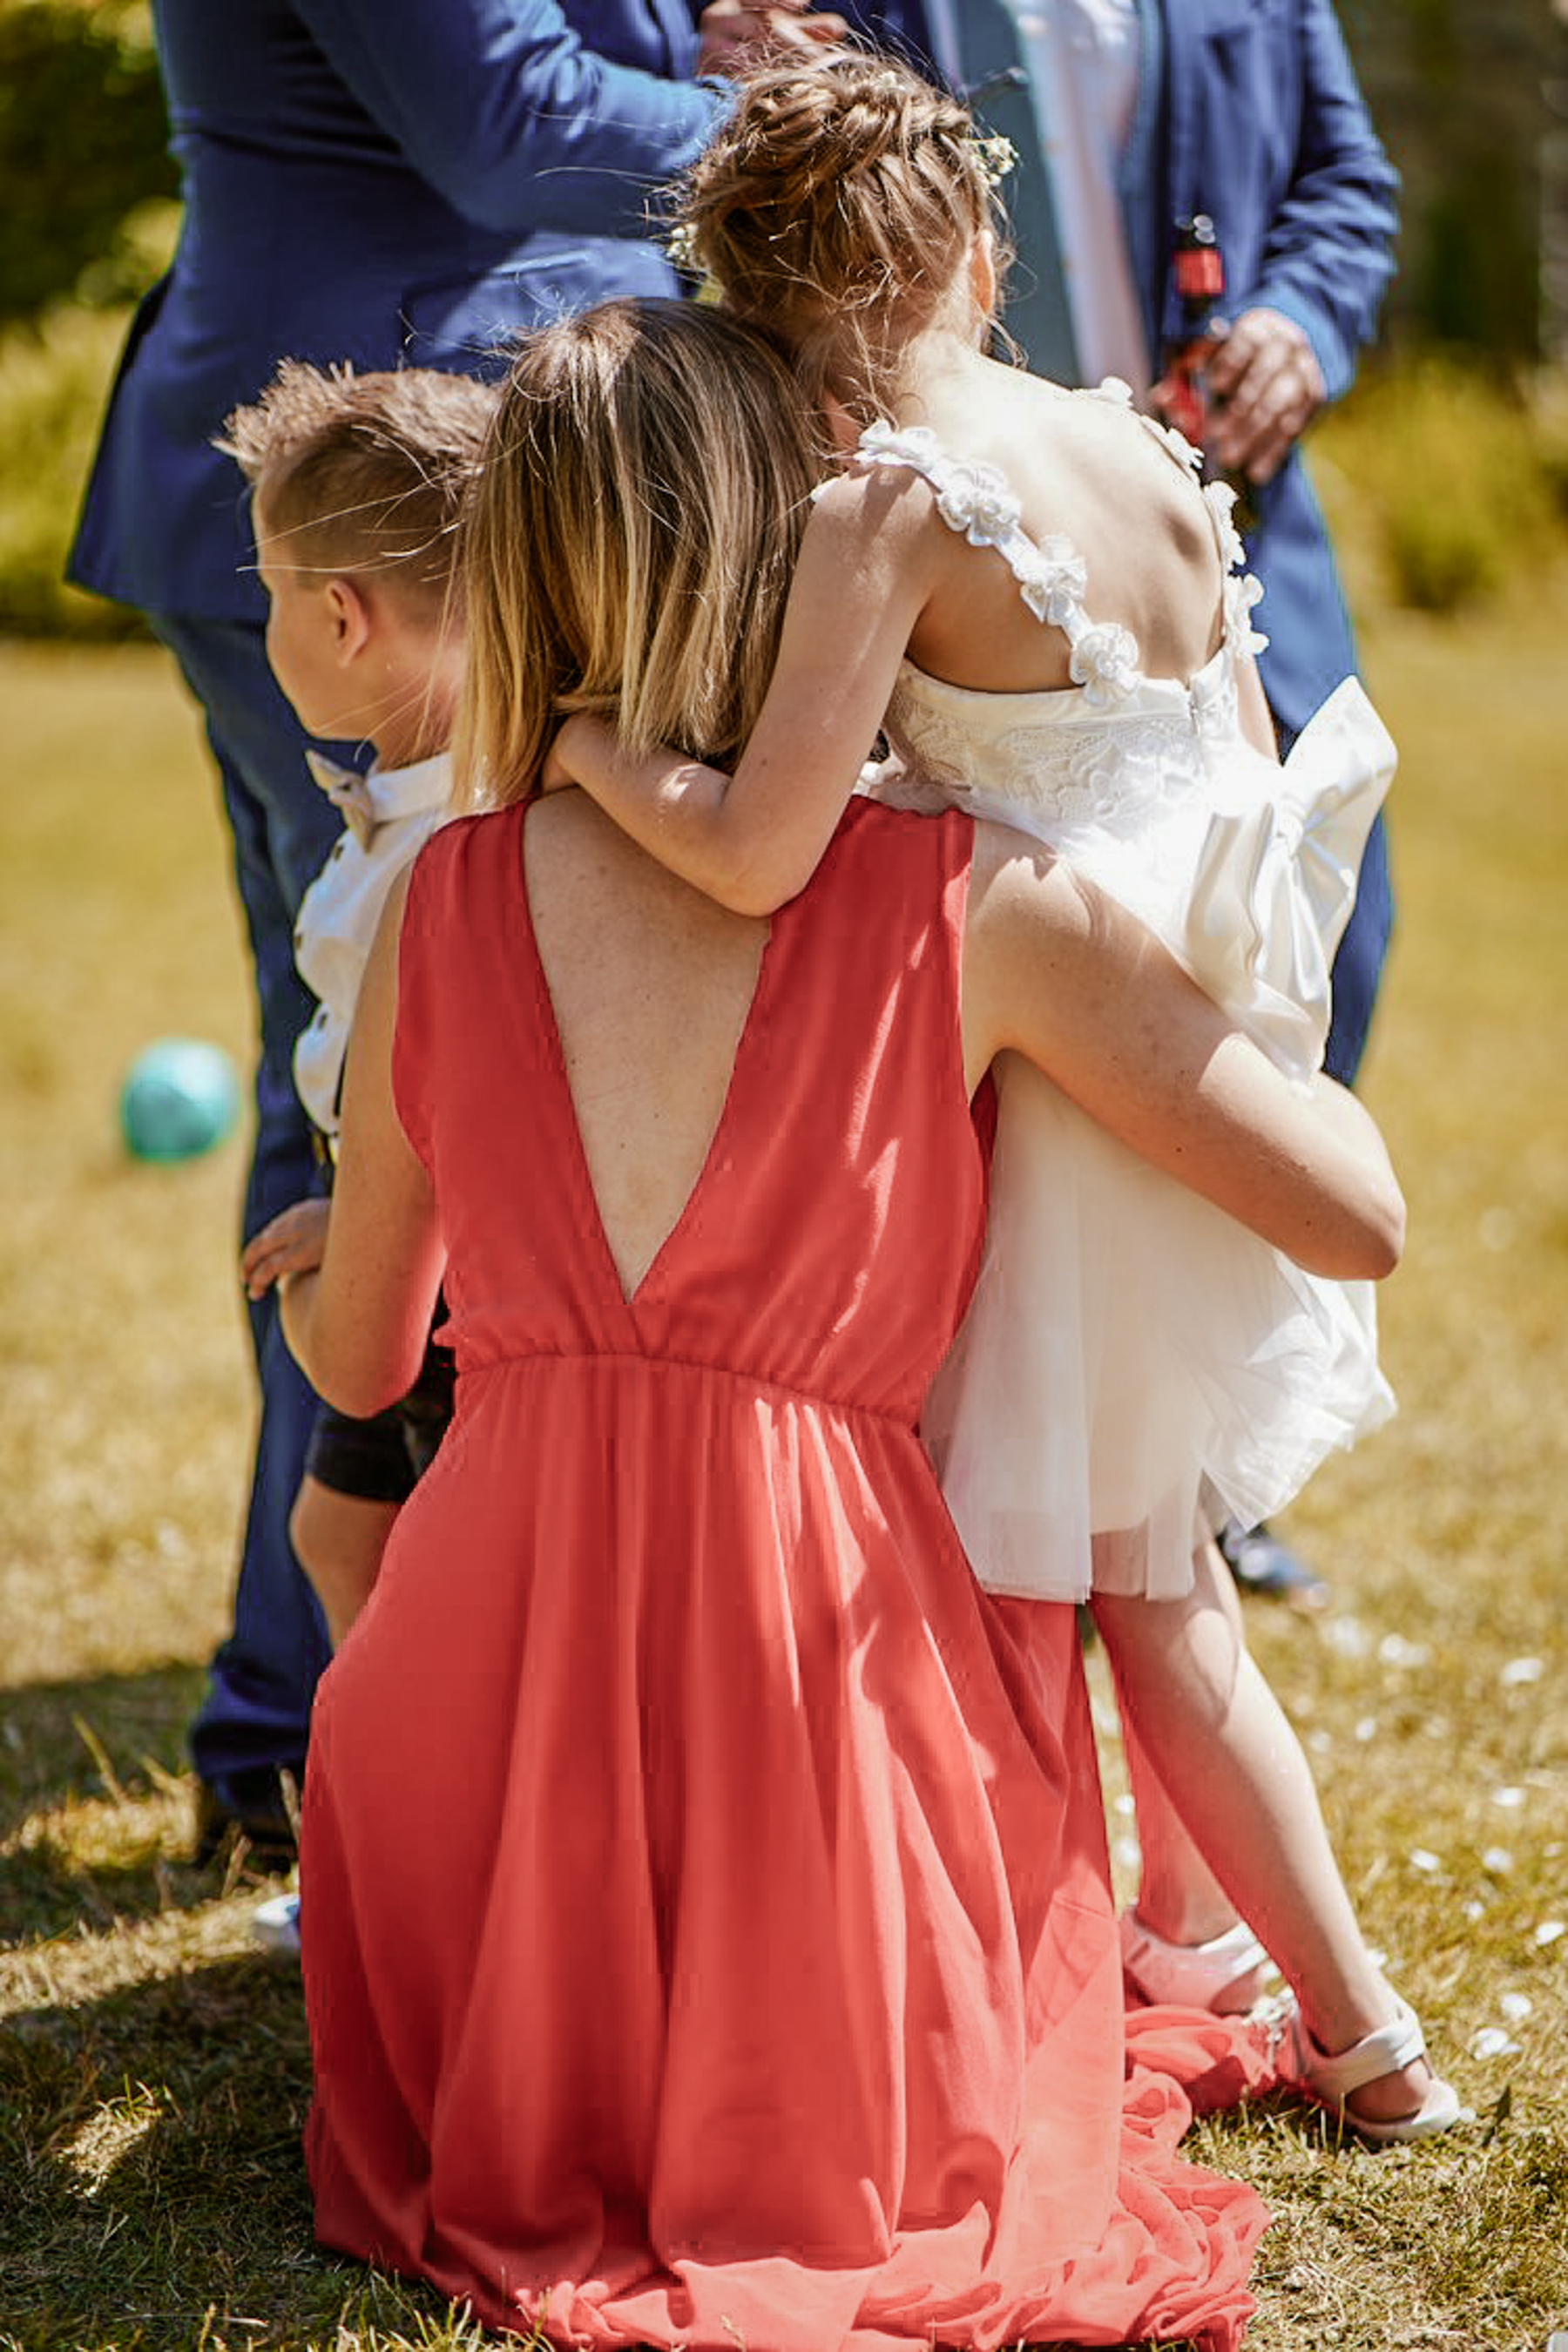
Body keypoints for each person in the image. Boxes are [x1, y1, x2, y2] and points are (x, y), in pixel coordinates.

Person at [280, 294, 1410, 2346]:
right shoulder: (977, 903)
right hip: (837, 1747)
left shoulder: (432, 910)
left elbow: (361, 1373)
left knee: (397, 1700)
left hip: (485, 1788)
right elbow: (1360, 1220)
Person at [544, 53, 1456, 2139]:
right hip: (1203, 1044)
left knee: (1139, 1598)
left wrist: (592, 755)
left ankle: (1360, 2035)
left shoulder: (891, 508)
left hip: (1048, 1098)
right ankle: (1174, 1942)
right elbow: (1226, 767)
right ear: (977, 245)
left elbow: (768, 848)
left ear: (767, 321)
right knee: (1142, 1563)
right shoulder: (1141, 448)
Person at [64, 0, 835, 1865]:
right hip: (380, 523)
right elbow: (505, 120)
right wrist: (759, 105)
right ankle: (336, 1725)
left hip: (531, 501)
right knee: (368, 1041)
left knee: (420, 1038)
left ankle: (401, 1699)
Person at [840, 0, 1401, 1604]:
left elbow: (1344, 182)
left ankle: (1190, 1437)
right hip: (976, 567)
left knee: (1303, 938)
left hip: (1207, 528)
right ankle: (1064, 1463)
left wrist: (1301, 317)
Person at [220, 361, 497, 1652]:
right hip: (391, 1216)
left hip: (452, 1275)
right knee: (340, 1532)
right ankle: (375, 1815)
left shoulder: (464, 844)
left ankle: (438, 1818)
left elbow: (480, 1108)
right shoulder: (415, 797)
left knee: (432, 1565)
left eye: (266, 596)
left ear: (339, 617)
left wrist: (371, 1226)